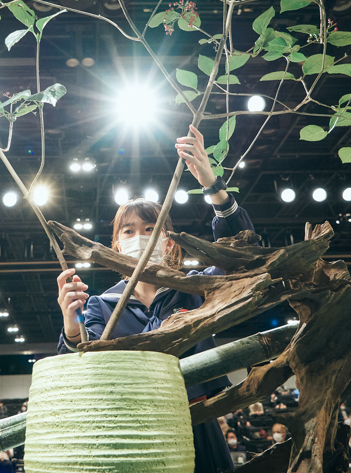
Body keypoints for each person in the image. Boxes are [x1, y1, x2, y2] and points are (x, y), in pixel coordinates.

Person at [56, 125, 255, 473]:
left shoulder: (197, 290)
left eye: (151, 229)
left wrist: (212, 185)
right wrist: (71, 328)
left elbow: (244, 253)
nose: (140, 238)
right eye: (128, 232)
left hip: (198, 422)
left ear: (170, 242)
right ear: (115, 247)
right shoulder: (101, 306)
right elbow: (81, 366)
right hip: (132, 431)